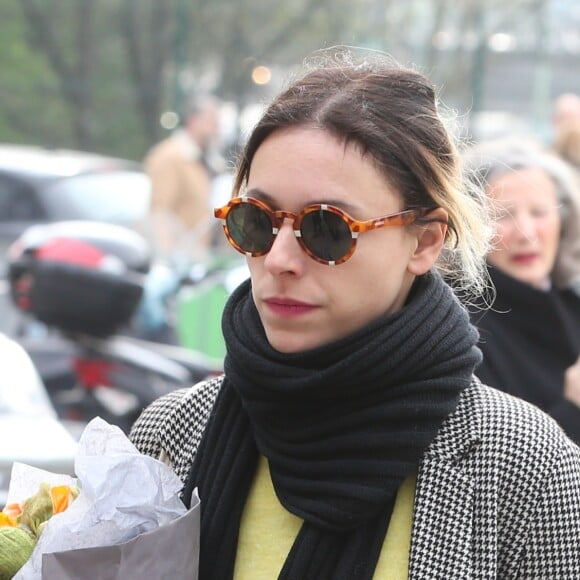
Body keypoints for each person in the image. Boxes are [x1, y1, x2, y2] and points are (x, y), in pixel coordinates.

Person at [130, 50, 580, 579]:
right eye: (256, 222)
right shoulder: (172, 432)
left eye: (326, 229)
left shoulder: (527, 469)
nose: (278, 259)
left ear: (426, 241)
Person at [464, 137, 580, 444]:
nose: (526, 233)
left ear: (564, 221)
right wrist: (572, 406)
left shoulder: (571, 301)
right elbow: (492, 458)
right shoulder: (465, 330)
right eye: (502, 216)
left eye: (540, 212)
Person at [142, 95, 222, 268]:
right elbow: (159, 214)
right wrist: (170, 261)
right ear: (194, 121)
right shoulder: (170, 157)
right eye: (212, 122)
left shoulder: (204, 160)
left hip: (201, 261)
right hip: (180, 266)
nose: (216, 130)